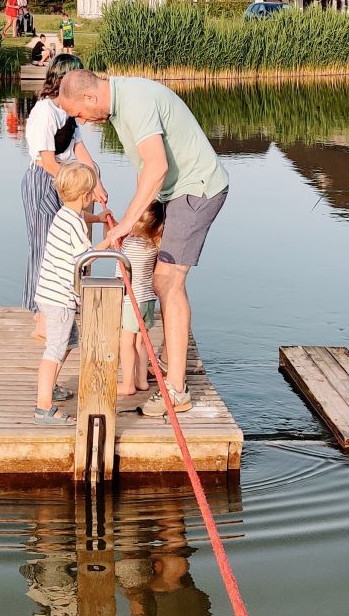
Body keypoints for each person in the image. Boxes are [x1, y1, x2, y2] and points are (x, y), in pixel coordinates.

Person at [57, 71, 227, 417]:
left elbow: (157, 167)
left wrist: (125, 225)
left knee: (167, 281)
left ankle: (176, 390)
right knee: (160, 279)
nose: (81, 121)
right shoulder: (120, 109)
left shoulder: (135, 102)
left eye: (77, 113)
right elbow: (143, 171)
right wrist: (134, 220)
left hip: (197, 188)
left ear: (89, 99)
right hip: (173, 193)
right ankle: (167, 359)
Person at [21, 54, 106, 340]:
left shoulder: (70, 113)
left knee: (66, 245)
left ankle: (64, 306)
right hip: (45, 182)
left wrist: (95, 180)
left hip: (68, 182)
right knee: (44, 246)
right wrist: (78, 183)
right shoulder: (45, 111)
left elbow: (81, 152)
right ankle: (40, 317)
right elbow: (47, 161)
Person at [33, 160, 98, 424]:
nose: (92, 198)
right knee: (54, 350)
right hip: (60, 300)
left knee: (68, 344)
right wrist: (110, 238)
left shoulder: (65, 215)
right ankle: (43, 407)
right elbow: (87, 257)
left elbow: (82, 220)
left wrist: (98, 218)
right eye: (91, 194)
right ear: (85, 197)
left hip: (49, 294)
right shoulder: (75, 225)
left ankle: (52, 387)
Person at [117, 200, 164, 397]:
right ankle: (142, 381)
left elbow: (113, 242)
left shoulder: (129, 243)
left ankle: (128, 384)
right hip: (147, 300)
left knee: (126, 342)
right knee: (142, 342)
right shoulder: (153, 245)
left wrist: (110, 226)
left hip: (131, 302)